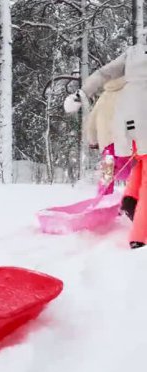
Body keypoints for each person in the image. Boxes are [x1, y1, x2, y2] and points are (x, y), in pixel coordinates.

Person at [64, 40, 147, 249]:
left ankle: (124, 199)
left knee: (118, 173)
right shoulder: (123, 90)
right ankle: (139, 236)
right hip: (131, 133)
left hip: (119, 139)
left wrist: (81, 94)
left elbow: (92, 119)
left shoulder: (115, 87)